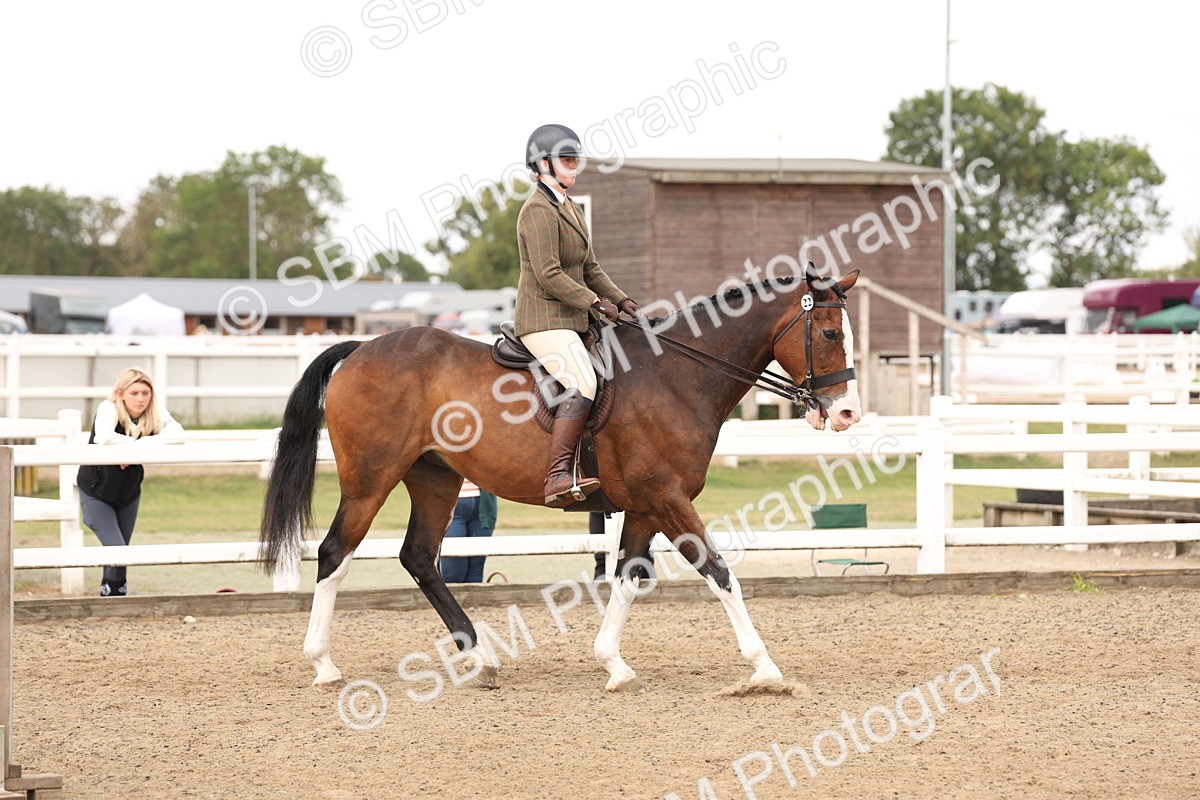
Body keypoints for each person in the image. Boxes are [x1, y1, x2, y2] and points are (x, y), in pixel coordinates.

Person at [515, 123, 642, 508]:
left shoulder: (570, 207)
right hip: (543, 319)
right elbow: (548, 273)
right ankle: (556, 476)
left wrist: (622, 300)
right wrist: (594, 302)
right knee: (584, 381)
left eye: (575, 159)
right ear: (543, 165)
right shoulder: (537, 210)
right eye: (566, 159)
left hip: (573, 318)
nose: (574, 165)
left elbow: (590, 267)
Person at [76, 367, 185, 596]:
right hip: (96, 491)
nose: (140, 399)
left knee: (121, 551)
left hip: (129, 494)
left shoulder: (154, 410)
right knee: (118, 549)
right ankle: (114, 597)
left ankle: (113, 597)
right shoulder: (108, 407)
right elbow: (103, 436)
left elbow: (178, 435)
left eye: (145, 393)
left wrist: (139, 446)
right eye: (134, 393)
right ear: (121, 393)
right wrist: (132, 446)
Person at [440, 479, 498, 583]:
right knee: (453, 573)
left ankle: (473, 595)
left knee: (475, 573)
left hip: (484, 506)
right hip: (450, 504)